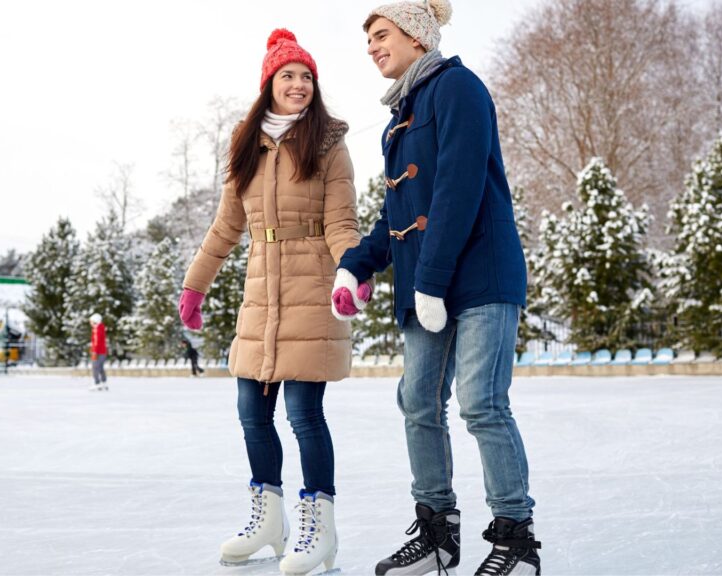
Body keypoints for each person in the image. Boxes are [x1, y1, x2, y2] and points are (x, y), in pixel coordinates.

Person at [332, 1, 542, 575]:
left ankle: (516, 539)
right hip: (429, 287)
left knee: (481, 404)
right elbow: (398, 211)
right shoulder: (401, 115)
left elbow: (457, 190)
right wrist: (357, 264)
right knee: (418, 402)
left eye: (381, 34)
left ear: (417, 35)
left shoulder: (459, 89)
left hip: (478, 276)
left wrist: (429, 280)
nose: (372, 46)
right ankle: (437, 533)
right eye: (368, 40)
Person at [178, 28, 371, 576]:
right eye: (288, 75)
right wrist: (196, 284)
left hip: (311, 291)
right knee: (251, 414)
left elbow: (341, 223)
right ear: (268, 84)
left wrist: (352, 270)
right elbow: (225, 226)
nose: (299, 84)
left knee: (305, 416)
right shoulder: (246, 145)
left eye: (307, 76)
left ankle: (320, 530)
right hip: (261, 297)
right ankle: (268, 520)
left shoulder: (329, 143)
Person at [89, 313, 108, 391]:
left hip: (98, 352)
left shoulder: (97, 329)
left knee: (95, 367)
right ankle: (103, 383)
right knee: (100, 368)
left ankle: (97, 383)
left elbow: (97, 342)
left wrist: (94, 352)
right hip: (102, 351)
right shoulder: (100, 328)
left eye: (91, 321)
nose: (90, 323)